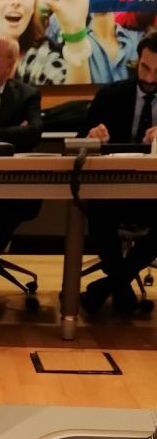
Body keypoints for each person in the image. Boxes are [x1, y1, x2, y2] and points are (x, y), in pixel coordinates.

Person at [78, 29, 157, 315]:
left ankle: (107, 287)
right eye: (145, 68)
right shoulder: (111, 95)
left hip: (153, 196)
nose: (150, 79)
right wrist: (91, 137)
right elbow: (79, 141)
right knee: (98, 212)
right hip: (110, 191)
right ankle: (121, 288)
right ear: (138, 61)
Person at [0, 35, 43, 260]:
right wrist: (14, 131)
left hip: (11, 182)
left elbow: (32, 134)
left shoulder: (27, 95)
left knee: (6, 210)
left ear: (11, 63)